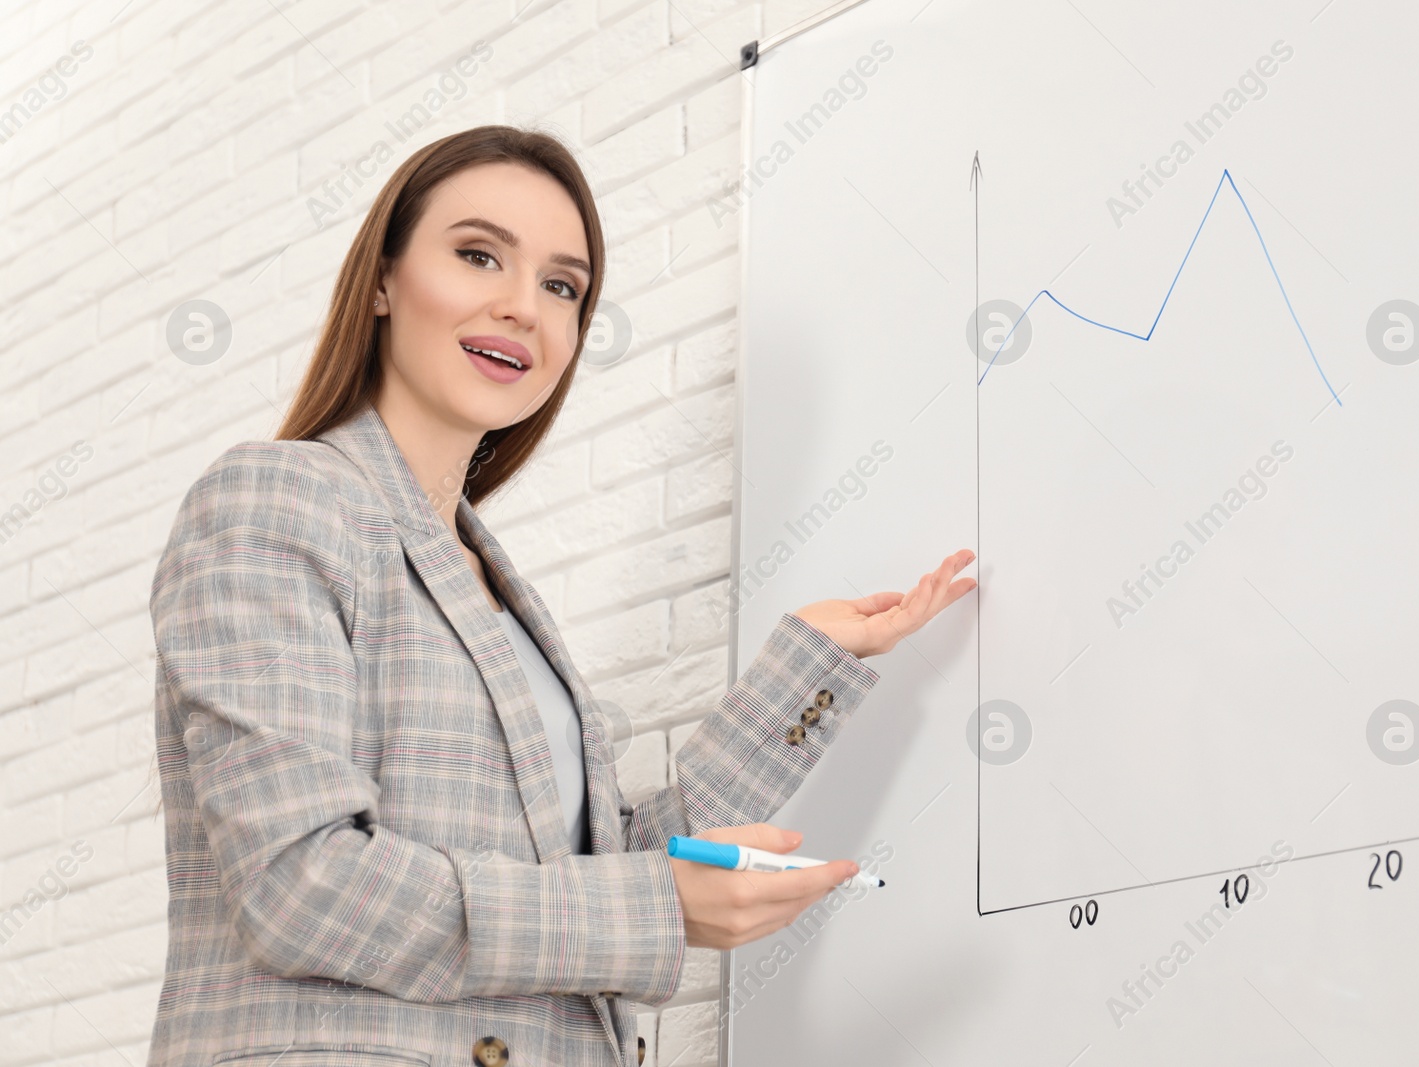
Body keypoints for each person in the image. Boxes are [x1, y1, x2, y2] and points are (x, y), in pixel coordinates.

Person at [145, 125, 975, 1067]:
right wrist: (658, 905)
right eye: (477, 255)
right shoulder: (276, 498)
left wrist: (807, 669)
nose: (521, 308)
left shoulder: (488, 579)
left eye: (561, 286)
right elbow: (301, 884)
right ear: (381, 280)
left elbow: (594, 877)